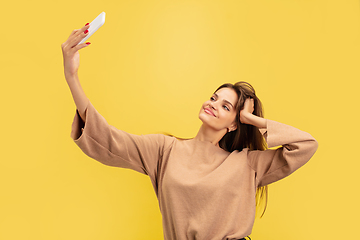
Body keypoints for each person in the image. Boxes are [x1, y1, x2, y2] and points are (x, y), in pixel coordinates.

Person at [61, 23, 318, 240]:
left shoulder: (247, 164)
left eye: (225, 106)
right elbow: (107, 140)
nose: (212, 104)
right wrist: (72, 77)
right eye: (213, 97)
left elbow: (305, 145)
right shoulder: (164, 150)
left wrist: (252, 119)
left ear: (234, 123)